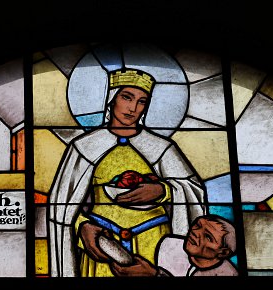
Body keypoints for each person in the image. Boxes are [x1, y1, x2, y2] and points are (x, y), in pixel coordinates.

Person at [49, 69, 207, 277]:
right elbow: (62, 206)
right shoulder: (84, 148)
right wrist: (82, 227)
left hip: (153, 244)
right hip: (103, 246)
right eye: (126, 97)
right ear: (111, 98)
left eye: (142, 101)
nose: (133, 108)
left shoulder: (162, 148)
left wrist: (164, 191)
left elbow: (193, 192)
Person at [110, 214, 238, 277]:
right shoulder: (170, 245)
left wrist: (155, 275)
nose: (195, 233)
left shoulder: (226, 274)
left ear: (223, 252)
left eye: (208, 236)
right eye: (197, 225)